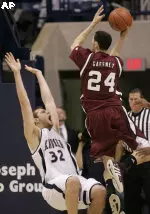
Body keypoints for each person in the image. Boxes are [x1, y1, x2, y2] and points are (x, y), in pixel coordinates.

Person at [69, 4, 149, 213]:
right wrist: (124, 35)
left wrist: (93, 23)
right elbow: (114, 54)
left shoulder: (87, 58)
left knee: (107, 158)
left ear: (94, 44)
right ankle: (126, 165)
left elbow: (75, 43)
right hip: (115, 111)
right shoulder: (115, 62)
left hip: (93, 116)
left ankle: (114, 191)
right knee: (146, 148)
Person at [5, 52, 106, 214]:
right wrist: (17, 74)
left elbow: (49, 100)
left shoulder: (57, 131)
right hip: (53, 187)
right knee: (72, 181)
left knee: (100, 191)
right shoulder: (34, 135)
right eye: (44, 112)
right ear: (36, 120)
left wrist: (39, 74)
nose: (49, 113)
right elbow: (24, 104)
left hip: (74, 183)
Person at [122, 88, 150, 214]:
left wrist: (148, 105)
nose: (133, 102)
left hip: (149, 158)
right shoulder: (125, 117)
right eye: (131, 99)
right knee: (131, 198)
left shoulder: (149, 112)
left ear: (142, 99)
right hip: (131, 160)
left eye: (136, 99)